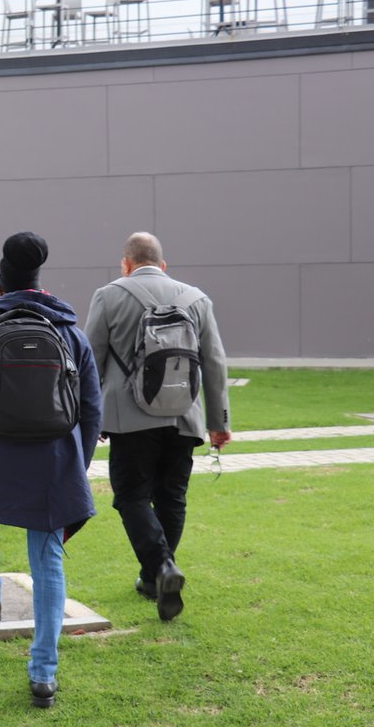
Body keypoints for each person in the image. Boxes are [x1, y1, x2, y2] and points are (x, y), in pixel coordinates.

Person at [0, 231, 100, 709]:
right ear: (38, 278)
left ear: (1, 282)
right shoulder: (69, 329)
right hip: (54, 462)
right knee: (47, 561)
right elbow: (91, 410)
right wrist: (77, 464)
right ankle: (43, 673)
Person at [83, 231, 231, 622]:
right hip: (184, 418)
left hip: (129, 420)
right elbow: (215, 363)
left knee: (131, 496)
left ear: (126, 264)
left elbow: (90, 361)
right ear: (164, 266)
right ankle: (154, 579)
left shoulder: (108, 296)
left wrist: (91, 415)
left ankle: (162, 568)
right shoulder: (197, 299)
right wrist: (219, 423)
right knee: (172, 498)